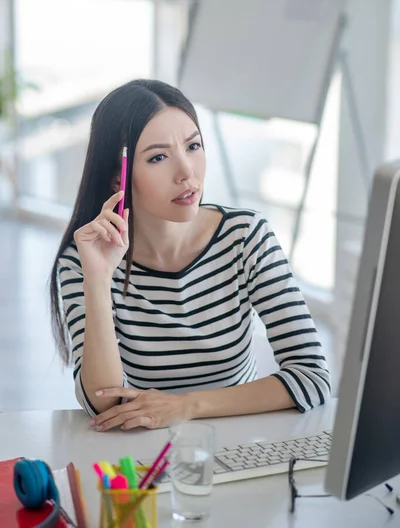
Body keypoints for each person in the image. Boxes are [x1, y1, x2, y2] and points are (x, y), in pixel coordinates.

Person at [50, 79, 330, 432]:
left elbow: (312, 376)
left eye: (193, 146)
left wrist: (184, 406)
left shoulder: (245, 237)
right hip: (144, 453)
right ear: (116, 179)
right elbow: (101, 401)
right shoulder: (84, 258)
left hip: (237, 439)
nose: (187, 173)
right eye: (158, 157)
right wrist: (99, 277)